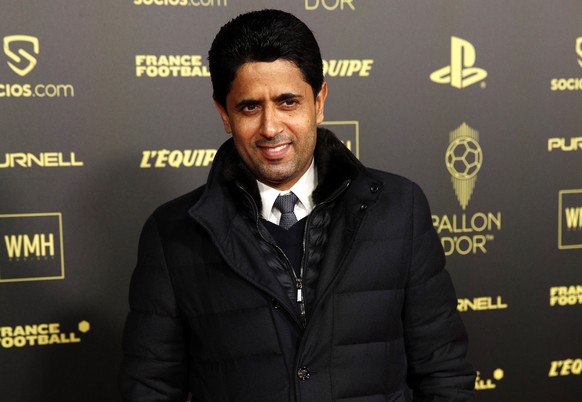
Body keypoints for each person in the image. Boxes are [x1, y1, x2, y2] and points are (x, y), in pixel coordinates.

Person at [119, 9, 475, 402]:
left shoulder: (399, 208)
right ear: (224, 113)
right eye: (250, 107)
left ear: (319, 101)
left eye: (288, 102)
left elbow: (445, 372)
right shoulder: (173, 234)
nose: (271, 127)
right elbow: (150, 389)